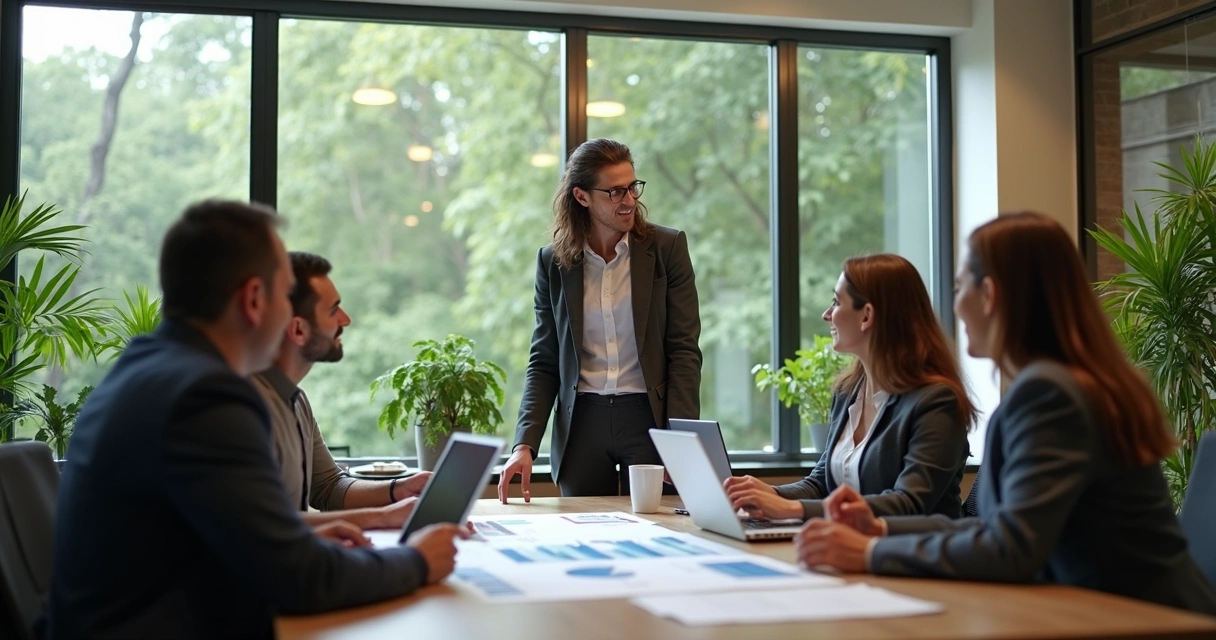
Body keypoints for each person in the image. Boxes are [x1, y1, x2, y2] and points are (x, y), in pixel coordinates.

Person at [48, 200, 467, 639]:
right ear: (253, 300)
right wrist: (418, 560)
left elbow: (238, 537)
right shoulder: (206, 398)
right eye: (283, 295)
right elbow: (300, 579)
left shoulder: (145, 368)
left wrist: (345, 527)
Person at [796, 212, 1216, 615]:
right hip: (1101, 611)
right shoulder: (1055, 388)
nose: (955, 307)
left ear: (991, 295)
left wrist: (869, 552)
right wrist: (880, 530)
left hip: (1151, 622)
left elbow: (1011, 547)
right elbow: (994, 529)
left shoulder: (1050, 396)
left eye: (960, 289)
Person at [498, 138, 702, 501]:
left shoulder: (668, 249)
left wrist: (679, 441)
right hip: (581, 427)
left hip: (649, 419)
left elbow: (684, 351)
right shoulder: (553, 263)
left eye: (632, 187)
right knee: (583, 535)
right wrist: (524, 445)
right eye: (615, 191)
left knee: (659, 535)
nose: (629, 200)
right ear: (582, 197)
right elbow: (544, 361)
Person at [724, 254, 974, 521]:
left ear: (866, 316)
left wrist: (792, 508)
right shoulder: (848, 392)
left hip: (916, 557)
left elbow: (909, 503)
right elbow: (821, 483)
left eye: (836, 302)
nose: (826, 314)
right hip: (848, 547)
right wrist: (769, 494)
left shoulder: (936, 402)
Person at [251, 251, 430, 530]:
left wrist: (400, 489)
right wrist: (382, 517)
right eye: (333, 310)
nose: (345, 320)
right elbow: (263, 524)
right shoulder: (245, 408)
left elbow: (328, 486)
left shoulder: (296, 400)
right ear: (298, 330)